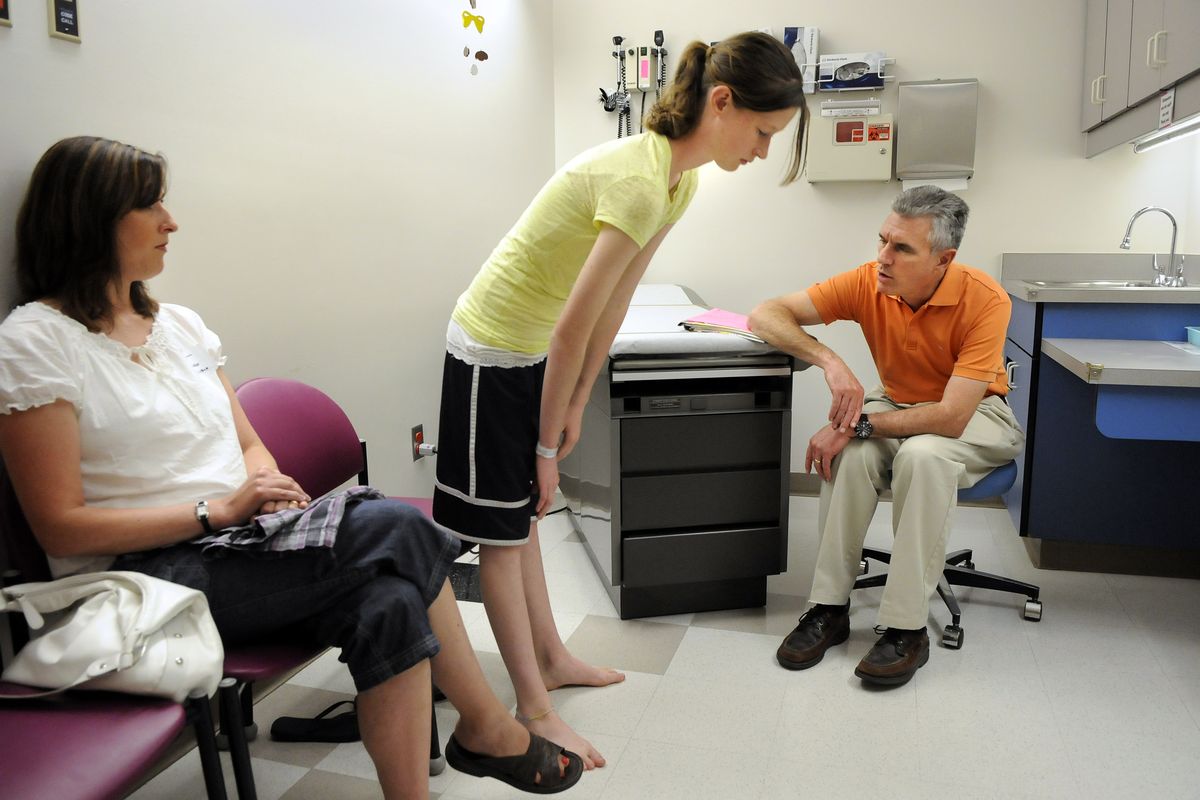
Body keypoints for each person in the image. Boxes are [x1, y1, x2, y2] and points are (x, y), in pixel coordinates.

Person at [0, 136, 583, 799]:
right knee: (396, 527)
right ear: (90, 221)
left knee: (389, 600)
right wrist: (214, 511)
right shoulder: (35, 343)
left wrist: (267, 490)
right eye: (150, 205)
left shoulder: (178, 326)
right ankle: (488, 729)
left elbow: (247, 443)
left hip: (234, 547)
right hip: (144, 578)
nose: (172, 222)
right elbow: (59, 527)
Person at [433, 30, 809, 765]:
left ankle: (551, 658)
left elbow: (614, 305)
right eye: (763, 132)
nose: (763, 151)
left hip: (531, 347)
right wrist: (547, 446)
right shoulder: (641, 179)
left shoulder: (680, 179)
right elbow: (575, 324)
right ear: (723, 102)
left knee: (524, 523)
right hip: (491, 346)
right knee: (505, 540)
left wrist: (573, 409)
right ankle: (534, 710)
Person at [749, 186, 1024, 687]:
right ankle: (828, 609)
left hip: (977, 414)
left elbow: (951, 416)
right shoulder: (868, 283)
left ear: (944, 259)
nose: (883, 257)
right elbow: (765, 314)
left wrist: (855, 423)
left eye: (901, 249)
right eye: (882, 241)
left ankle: (906, 627)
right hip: (898, 401)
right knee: (850, 457)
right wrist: (830, 361)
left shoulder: (985, 300)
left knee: (921, 456)